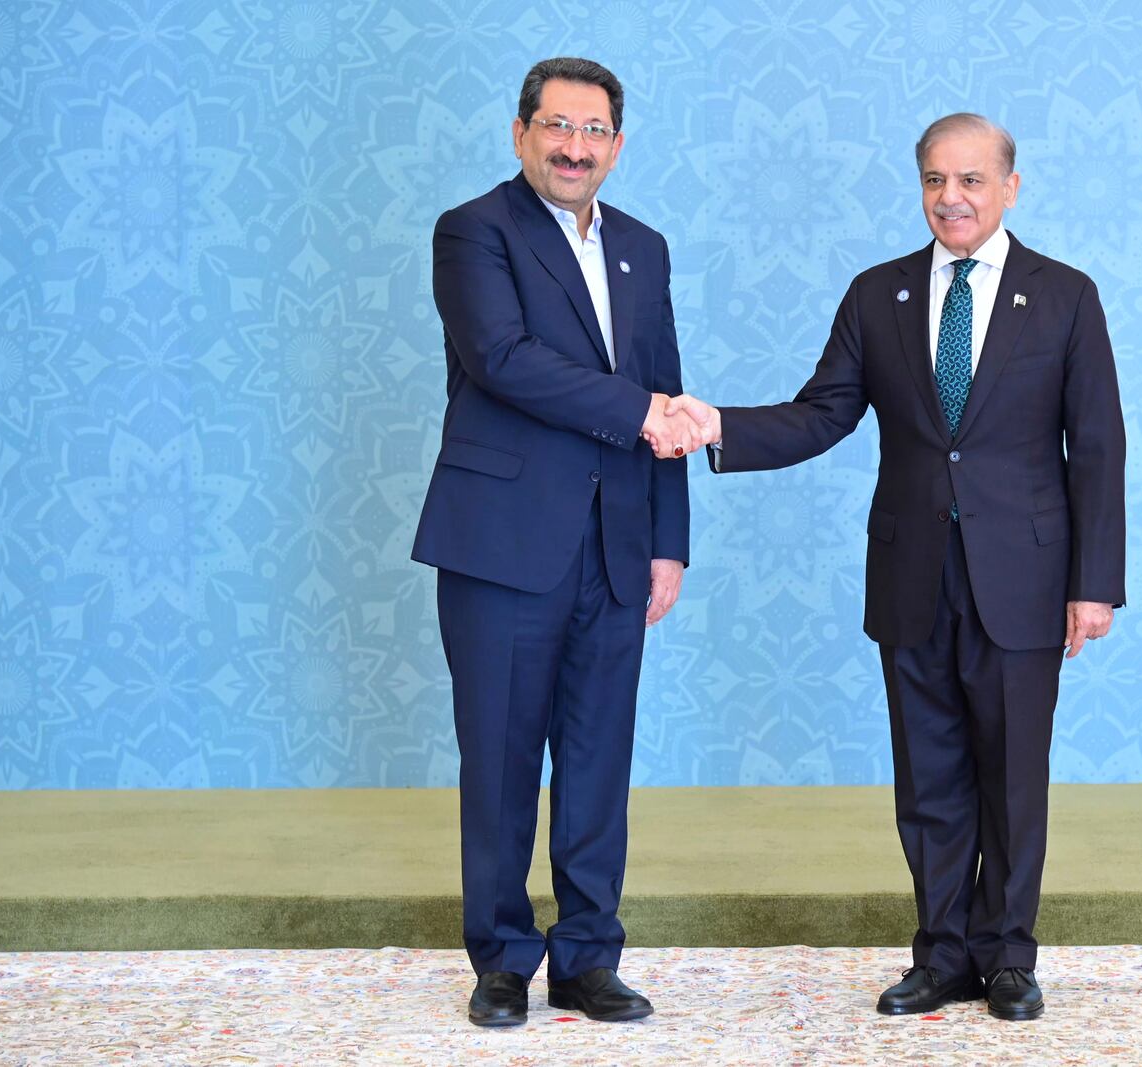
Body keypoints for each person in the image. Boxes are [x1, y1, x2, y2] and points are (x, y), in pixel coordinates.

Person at [671, 113, 1127, 1022]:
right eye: (933, 181)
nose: (949, 199)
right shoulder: (878, 295)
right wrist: (720, 424)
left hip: (1025, 579)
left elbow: (1100, 444)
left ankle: (1008, 957)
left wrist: (1094, 581)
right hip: (913, 572)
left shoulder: (1065, 295)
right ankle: (943, 953)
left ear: (1010, 186)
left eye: (969, 181)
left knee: (1011, 777)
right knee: (928, 780)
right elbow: (823, 411)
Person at [411, 56, 705, 1027]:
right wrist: (643, 412)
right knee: (498, 759)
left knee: (595, 758)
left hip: (618, 547)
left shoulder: (645, 248)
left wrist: (669, 539)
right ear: (520, 133)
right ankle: (501, 957)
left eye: (594, 131)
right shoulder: (475, 232)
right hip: (502, 543)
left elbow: (663, 375)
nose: (575, 147)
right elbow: (504, 360)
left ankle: (586, 954)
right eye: (556, 126)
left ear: (616, 146)